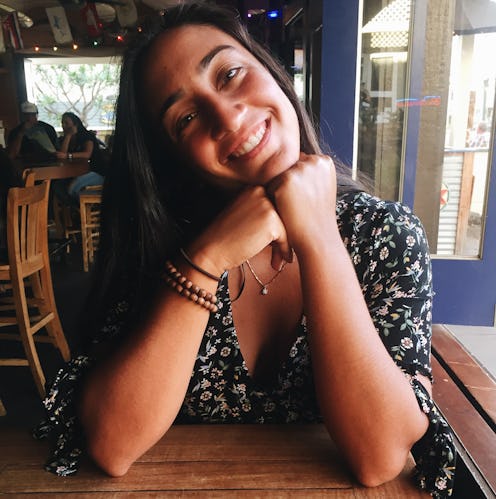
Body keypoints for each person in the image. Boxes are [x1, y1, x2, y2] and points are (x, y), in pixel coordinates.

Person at [36, 3, 455, 497]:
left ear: (273, 72)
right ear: (172, 157)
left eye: (230, 73)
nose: (227, 115)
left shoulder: (384, 233)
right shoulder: (155, 245)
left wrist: (318, 232)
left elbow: (380, 456)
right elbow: (112, 444)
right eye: (186, 117)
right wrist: (206, 259)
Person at [53, 112, 106, 205]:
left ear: (75, 124)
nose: (64, 126)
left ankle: (79, 210)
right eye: (62, 123)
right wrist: (68, 136)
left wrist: (69, 156)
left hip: (95, 171)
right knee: (57, 185)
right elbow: (62, 155)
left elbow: (87, 154)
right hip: (76, 172)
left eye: (66, 123)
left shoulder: (86, 136)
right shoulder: (65, 138)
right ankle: (71, 213)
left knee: (72, 189)